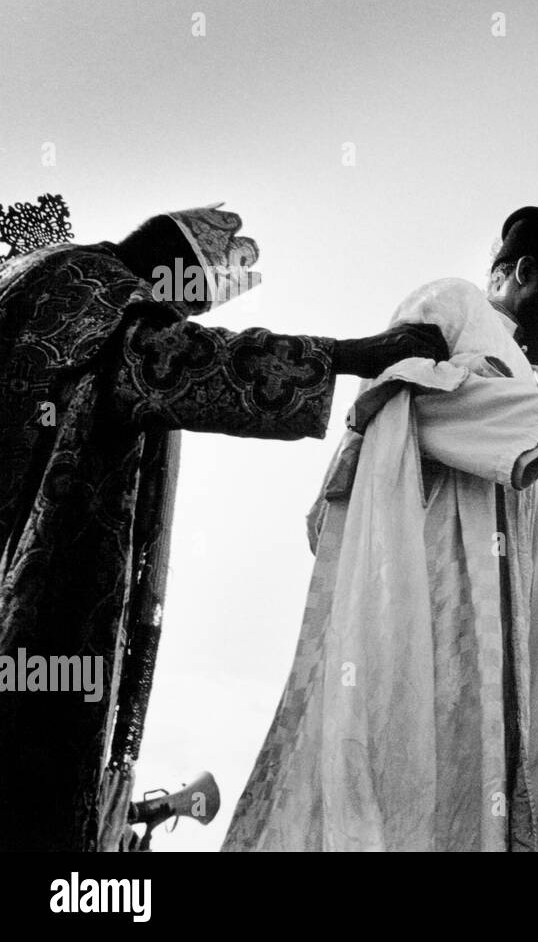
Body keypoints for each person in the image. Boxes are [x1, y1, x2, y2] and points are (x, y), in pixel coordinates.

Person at [0, 200, 449, 851]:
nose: (184, 319)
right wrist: (358, 354)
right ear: (171, 273)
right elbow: (170, 365)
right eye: (187, 305)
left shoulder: (37, 272)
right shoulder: (109, 300)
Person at [223, 207, 538, 851]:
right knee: (417, 774)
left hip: (519, 608)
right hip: (439, 577)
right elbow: (403, 395)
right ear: (520, 272)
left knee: (527, 771)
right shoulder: (452, 304)